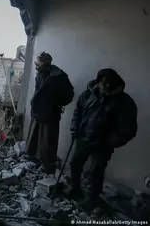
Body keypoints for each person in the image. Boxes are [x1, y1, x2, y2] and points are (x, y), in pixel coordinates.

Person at [69, 68, 137, 210]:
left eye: (109, 84)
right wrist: (75, 128)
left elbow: (128, 129)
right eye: (103, 83)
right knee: (75, 164)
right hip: (83, 138)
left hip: (102, 144)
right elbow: (78, 112)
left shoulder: (124, 102)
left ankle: (91, 199)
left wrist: (110, 142)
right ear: (98, 81)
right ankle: (74, 189)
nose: (105, 86)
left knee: (95, 172)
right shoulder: (88, 93)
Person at [26, 52, 74, 174]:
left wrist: (56, 103)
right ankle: (34, 159)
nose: (35, 66)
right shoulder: (40, 74)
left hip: (50, 113)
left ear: (45, 64)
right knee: (34, 137)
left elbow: (69, 95)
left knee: (48, 141)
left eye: (37, 63)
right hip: (38, 111)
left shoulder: (59, 77)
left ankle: (48, 165)